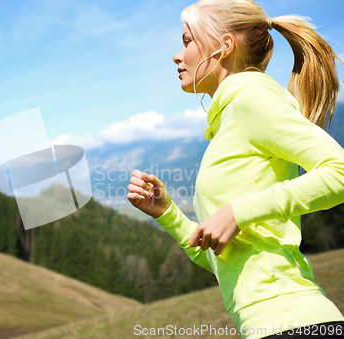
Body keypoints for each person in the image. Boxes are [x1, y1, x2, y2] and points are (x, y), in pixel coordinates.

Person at [127, 1, 344, 338]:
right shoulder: (229, 117)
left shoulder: (251, 101)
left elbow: (339, 172)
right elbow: (223, 259)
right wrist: (167, 214)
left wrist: (238, 212)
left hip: (295, 322)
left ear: (224, 46)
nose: (176, 55)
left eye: (187, 41)